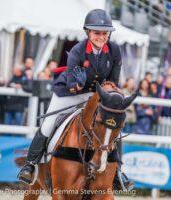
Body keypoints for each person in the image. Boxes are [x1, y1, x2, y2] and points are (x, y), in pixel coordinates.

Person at [18, 9, 133, 190]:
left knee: (112, 128)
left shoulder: (114, 50)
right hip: (69, 93)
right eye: (97, 33)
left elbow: (113, 81)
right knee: (48, 124)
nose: (101, 37)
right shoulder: (77, 51)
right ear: (88, 32)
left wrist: (111, 96)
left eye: (104, 33)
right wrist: (77, 85)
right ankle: (30, 165)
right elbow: (72, 84)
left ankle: (118, 171)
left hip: (97, 95)